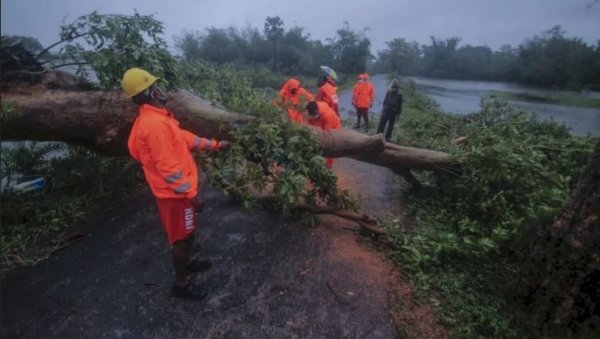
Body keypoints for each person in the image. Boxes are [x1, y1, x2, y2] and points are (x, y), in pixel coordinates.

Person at [121, 67, 231, 300]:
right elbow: (167, 167)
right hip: (176, 197)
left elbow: (185, 139)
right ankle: (181, 285)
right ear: (150, 92)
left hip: (176, 194)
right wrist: (192, 194)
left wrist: (215, 144)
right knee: (183, 238)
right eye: (155, 86)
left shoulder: (157, 119)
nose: (160, 90)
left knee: (187, 233)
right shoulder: (154, 125)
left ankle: (188, 264)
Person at [306, 101, 341, 168]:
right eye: (311, 114)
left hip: (333, 126)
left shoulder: (327, 114)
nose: (313, 116)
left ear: (317, 110)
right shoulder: (310, 114)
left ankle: (328, 165)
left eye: (314, 114)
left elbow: (326, 133)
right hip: (320, 124)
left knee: (329, 145)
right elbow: (310, 127)